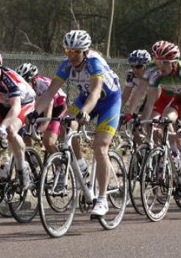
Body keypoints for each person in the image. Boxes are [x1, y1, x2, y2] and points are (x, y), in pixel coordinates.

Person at [33, 30, 122, 218]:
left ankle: (102, 199)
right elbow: (50, 92)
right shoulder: (66, 66)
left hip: (108, 101)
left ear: (85, 51)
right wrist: (35, 113)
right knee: (67, 127)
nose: (71, 56)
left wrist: (85, 112)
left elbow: (96, 91)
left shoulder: (94, 63)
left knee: (100, 147)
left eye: (76, 52)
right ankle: (81, 164)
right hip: (84, 98)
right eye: (68, 51)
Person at [136, 41, 181, 209]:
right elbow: (149, 103)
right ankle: (173, 157)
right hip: (176, 99)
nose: (161, 65)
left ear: (175, 61)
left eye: (166, 62)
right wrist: (142, 122)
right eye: (158, 61)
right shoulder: (155, 71)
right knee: (162, 121)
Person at [0, 49, 37, 191]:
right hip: (3, 104)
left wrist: (3, 126)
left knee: (10, 130)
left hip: (24, 104)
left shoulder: (8, 79)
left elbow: (16, 107)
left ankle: (22, 167)